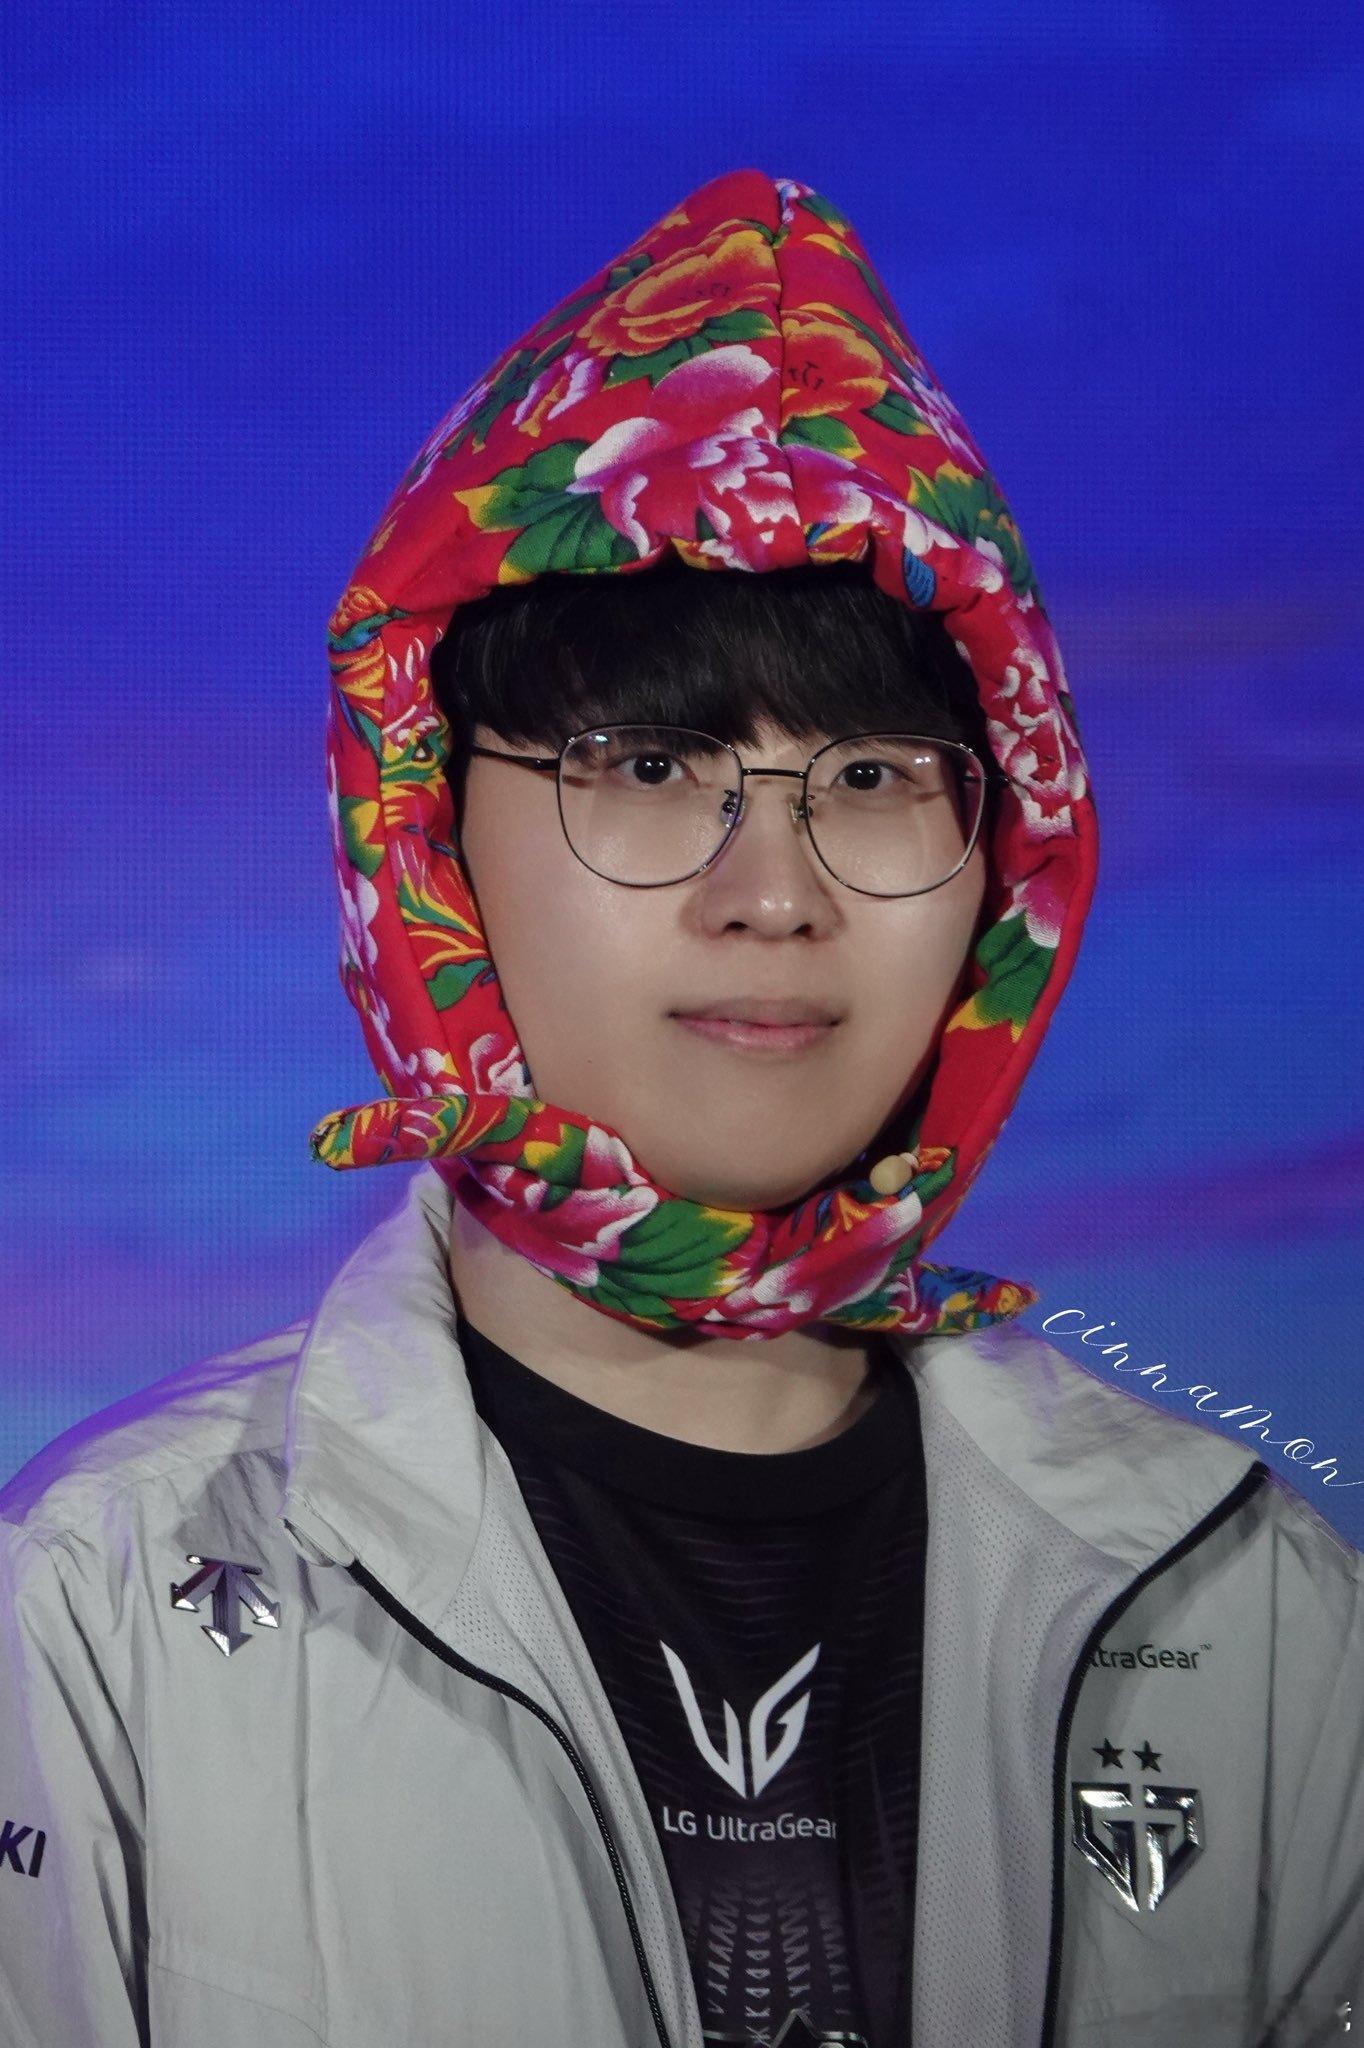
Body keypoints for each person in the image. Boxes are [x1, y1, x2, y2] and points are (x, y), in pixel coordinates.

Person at [1, 166, 1359, 2048]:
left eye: (873, 777)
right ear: (422, 839)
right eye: (648, 765)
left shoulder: (1258, 1609)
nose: (774, 894)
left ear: (1012, 858)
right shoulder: (96, 1605)